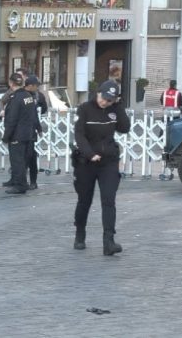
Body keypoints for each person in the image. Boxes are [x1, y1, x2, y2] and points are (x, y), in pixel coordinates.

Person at [72, 80, 131, 256]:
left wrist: (118, 107)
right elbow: (79, 134)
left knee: (109, 200)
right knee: (84, 200)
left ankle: (109, 241)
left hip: (109, 162)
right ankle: (80, 234)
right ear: (98, 93)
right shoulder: (84, 109)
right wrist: (90, 154)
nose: (105, 102)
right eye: (104, 98)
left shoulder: (114, 109)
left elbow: (125, 128)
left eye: (110, 100)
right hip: (86, 162)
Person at [2, 72, 38, 194]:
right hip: (28, 133)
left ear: (11, 83)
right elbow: (32, 115)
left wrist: (6, 136)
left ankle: (20, 185)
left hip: (17, 134)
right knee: (22, 160)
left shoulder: (16, 98)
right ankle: (18, 181)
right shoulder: (28, 96)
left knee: (17, 161)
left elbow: (12, 120)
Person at [24, 75, 47, 189]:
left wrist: (39, 128)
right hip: (24, 131)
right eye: (36, 85)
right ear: (30, 85)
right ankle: (24, 181)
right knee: (26, 158)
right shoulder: (23, 95)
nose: (38, 88)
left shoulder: (38, 96)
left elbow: (36, 114)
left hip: (30, 132)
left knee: (31, 157)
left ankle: (32, 182)